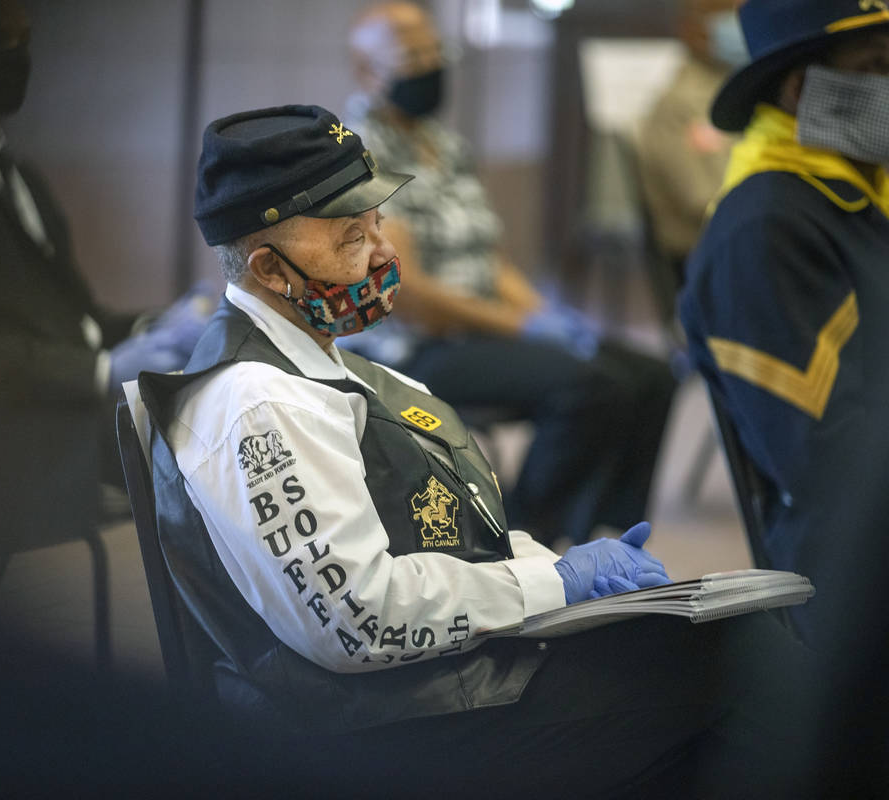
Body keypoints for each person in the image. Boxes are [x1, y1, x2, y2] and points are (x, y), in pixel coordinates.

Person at [136, 103, 821, 796]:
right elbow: (356, 621)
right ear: (270, 270)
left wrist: (562, 570)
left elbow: (443, 538)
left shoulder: (332, 367)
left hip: (434, 684)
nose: (383, 253)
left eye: (377, 222)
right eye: (351, 238)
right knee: (748, 671)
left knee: (725, 647)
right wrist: (558, 582)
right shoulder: (258, 403)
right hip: (365, 730)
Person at [0, 0, 209, 556]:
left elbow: (74, 316)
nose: (18, 56)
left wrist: (161, 326)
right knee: (195, 462)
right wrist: (100, 370)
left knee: (214, 418)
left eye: (24, 38)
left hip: (63, 423)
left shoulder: (17, 172)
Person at [339, 2, 677, 548]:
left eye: (433, 51)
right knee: (590, 386)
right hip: (417, 348)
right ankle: (520, 536)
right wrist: (515, 327)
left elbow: (488, 259)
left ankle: (601, 534)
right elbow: (411, 292)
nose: (428, 65)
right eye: (411, 55)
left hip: (478, 330)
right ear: (367, 71)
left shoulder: (444, 145)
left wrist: (544, 314)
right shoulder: (364, 153)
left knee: (651, 375)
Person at [679, 0, 889, 652]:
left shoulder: (860, 194)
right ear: (802, 90)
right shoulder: (766, 229)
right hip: (859, 586)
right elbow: (831, 468)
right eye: (878, 66)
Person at [636, 0, 745, 285]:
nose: (739, 25)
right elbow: (702, 201)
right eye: (726, 17)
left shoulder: (738, 89)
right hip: (704, 258)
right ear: (690, 28)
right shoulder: (681, 103)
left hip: (742, 247)